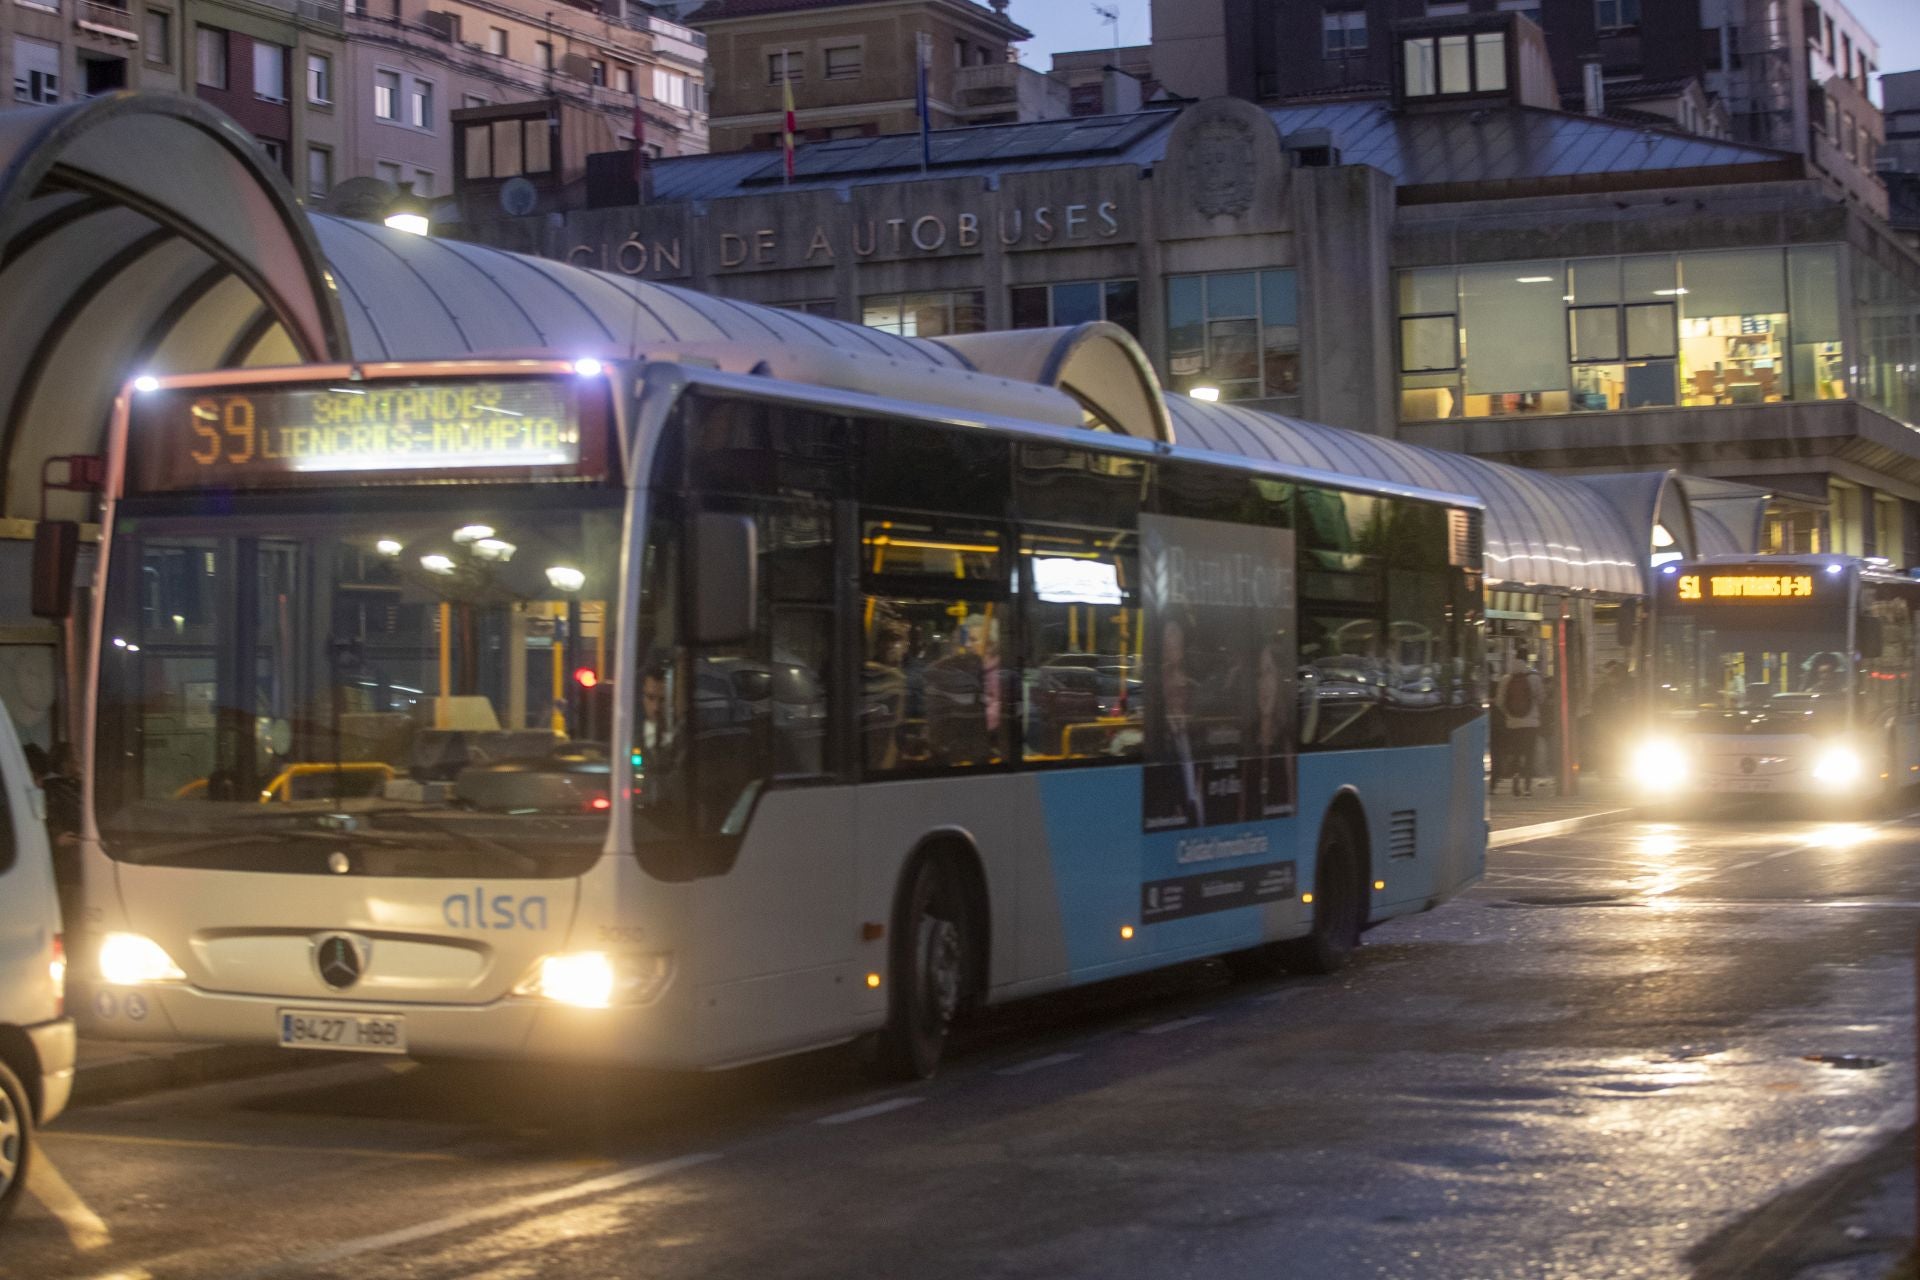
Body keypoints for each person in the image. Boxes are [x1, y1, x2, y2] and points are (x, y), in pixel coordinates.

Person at [1494, 645, 1546, 797]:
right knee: (1529, 753)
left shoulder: (1506, 679)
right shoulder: (1534, 678)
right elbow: (1541, 698)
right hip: (1531, 723)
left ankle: (1516, 775)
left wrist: (1509, 715)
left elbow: (1499, 702)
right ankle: (1528, 787)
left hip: (1512, 723)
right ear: (1527, 659)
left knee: (1516, 752)